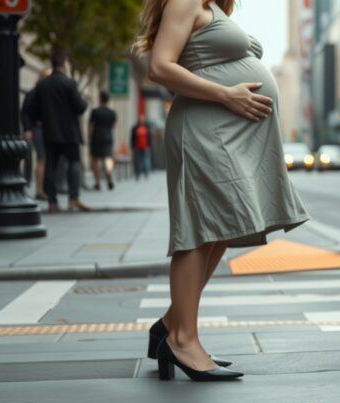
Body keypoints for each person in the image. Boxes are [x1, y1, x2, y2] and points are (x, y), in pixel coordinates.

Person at [135, 0, 309, 381]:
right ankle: (182, 339)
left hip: (226, 135)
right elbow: (160, 67)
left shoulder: (210, 6)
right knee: (198, 234)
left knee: (218, 232)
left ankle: (169, 326)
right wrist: (227, 94)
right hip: (204, 132)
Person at [23, 51, 91, 212]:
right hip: (69, 133)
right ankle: (73, 198)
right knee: (74, 162)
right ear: (64, 63)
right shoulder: (69, 83)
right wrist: (84, 101)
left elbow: (30, 108)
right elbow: (80, 107)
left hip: (50, 132)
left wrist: (38, 120)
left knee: (50, 166)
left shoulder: (42, 85)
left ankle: (52, 201)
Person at [22, 67, 53, 200]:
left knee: (46, 159)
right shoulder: (34, 93)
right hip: (37, 129)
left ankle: (44, 189)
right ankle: (39, 190)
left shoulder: (48, 93)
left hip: (48, 130)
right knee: (42, 159)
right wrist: (28, 129)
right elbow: (24, 112)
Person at [88, 91, 118, 190]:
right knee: (107, 158)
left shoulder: (95, 111)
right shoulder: (112, 113)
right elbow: (113, 126)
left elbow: (91, 126)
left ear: (100, 99)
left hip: (96, 137)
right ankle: (109, 175)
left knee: (95, 160)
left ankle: (98, 183)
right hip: (108, 137)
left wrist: (89, 138)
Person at [130, 113, 153, 180]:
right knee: (138, 161)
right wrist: (132, 146)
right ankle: (138, 174)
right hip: (137, 147)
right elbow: (132, 138)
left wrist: (149, 145)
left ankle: (146, 173)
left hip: (145, 147)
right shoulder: (135, 128)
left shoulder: (146, 127)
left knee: (145, 160)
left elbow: (149, 137)